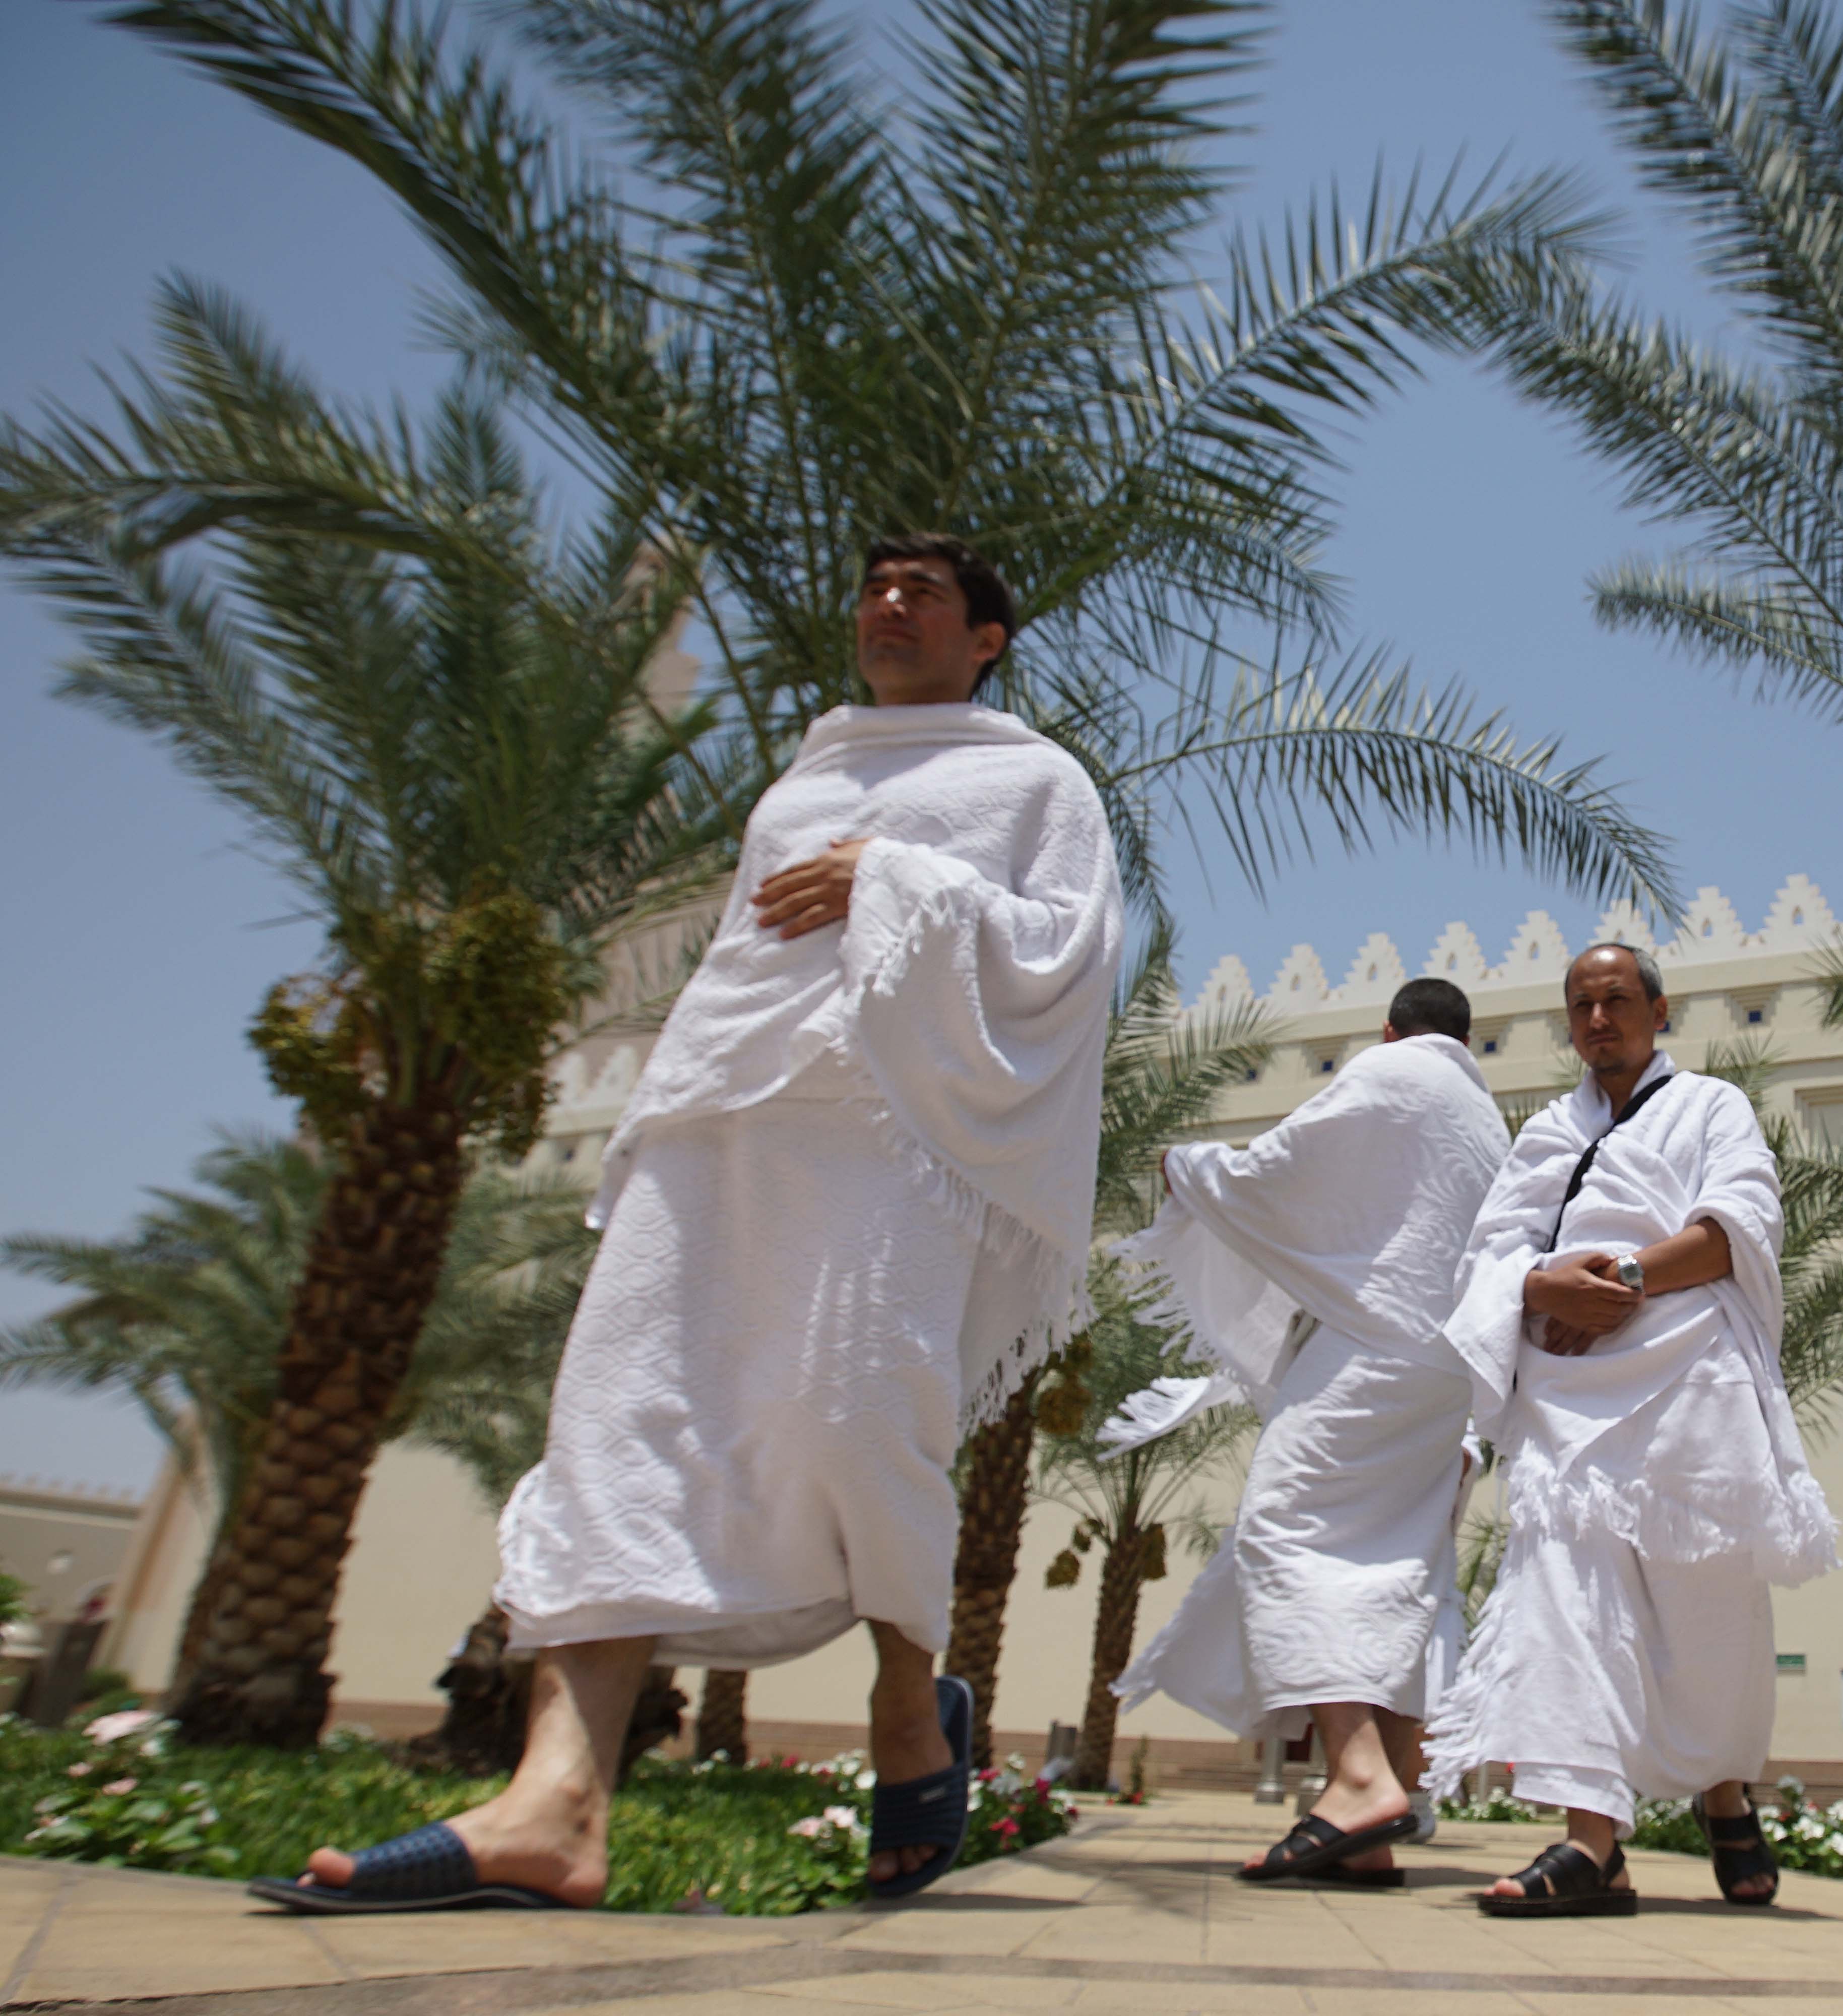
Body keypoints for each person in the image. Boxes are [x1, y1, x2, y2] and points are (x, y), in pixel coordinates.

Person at [250, 534, 1123, 1914]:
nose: (887, 603)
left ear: (988, 639)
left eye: (926, 592)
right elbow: (740, 954)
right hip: (720, 1124)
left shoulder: (1035, 780)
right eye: (875, 583)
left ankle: (909, 1701)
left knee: (857, 1414)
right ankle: (558, 1804)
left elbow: (1070, 948)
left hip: (889, 1136)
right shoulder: (807, 775)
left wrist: (892, 883)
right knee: (621, 1417)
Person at [1429, 943, 1838, 1916]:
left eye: (1616, 1000)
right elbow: (1485, 1259)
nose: (1598, 1019)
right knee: (1565, 1602)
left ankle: (1727, 1794)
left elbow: (1739, 1227)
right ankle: (1591, 1845)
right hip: (1571, 1402)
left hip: (1691, 1382)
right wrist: (1540, 1285)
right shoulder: (1545, 1138)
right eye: (1581, 1005)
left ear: (1659, 1011)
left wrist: (1625, 1283)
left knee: (1708, 1608)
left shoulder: (1711, 1108)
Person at [1106, 976, 1505, 1887]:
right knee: (1400, 1571)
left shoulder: (1392, 1075)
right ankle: (1367, 1829)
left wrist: (1189, 1168)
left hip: (1372, 1352)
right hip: (1448, 1380)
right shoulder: (1487, 1124)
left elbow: (1280, 1174)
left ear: (1391, 1029)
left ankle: (1361, 1780)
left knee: (1285, 1528)